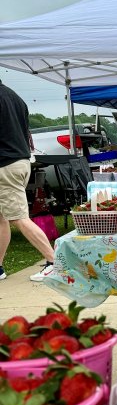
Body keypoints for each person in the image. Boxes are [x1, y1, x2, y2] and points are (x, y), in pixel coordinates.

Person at [0, 79, 57, 281]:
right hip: (21, 161)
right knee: (2, 217)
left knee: (18, 217)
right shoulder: (15, 97)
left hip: (5, 166)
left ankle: (54, 262)